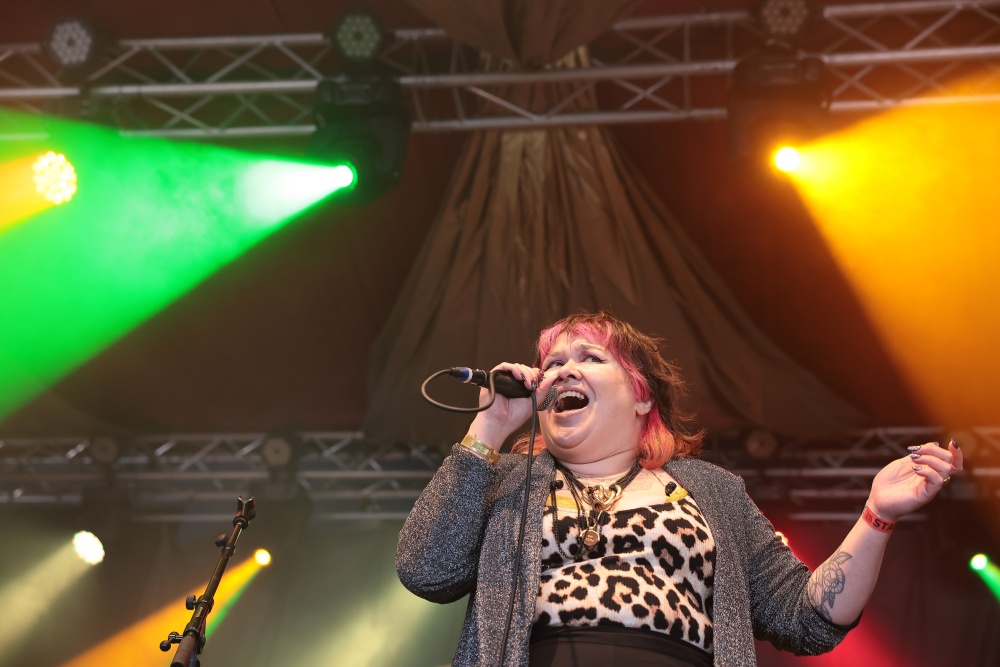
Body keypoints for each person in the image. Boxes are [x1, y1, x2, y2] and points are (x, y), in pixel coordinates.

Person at [396, 312, 962, 667]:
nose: (564, 370)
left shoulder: (712, 492)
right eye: (553, 363)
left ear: (641, 396)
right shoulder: (507, 483)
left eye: (590, 357)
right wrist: (490, 427)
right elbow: (427, 569)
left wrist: (876, 515)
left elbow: (807, 617)